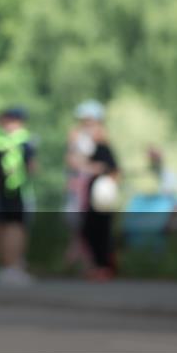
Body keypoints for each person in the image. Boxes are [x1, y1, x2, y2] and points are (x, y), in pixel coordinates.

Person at [0, 107, 36, 286]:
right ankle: (14, 267)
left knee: (3, 229)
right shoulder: (25, 142)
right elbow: (32, 168)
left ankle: (8, 267)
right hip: (14, 192)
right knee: (14, 229)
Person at [64, 100, 104, 269]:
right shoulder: (75, 134)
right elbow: (71, 160)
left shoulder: (102, 135)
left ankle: (88, 261)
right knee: (77, 222)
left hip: (95, 186)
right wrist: (89, 167)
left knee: (93, 222)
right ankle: (82, 261)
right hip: (79, 186)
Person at [81, 120, 120, 281]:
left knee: (101, 232)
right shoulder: (93, 149)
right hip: (93, 199)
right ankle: (99, 266)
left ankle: (104, 267)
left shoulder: (103, 148)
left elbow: (113, 170)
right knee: (91, 231)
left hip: (102, 199)